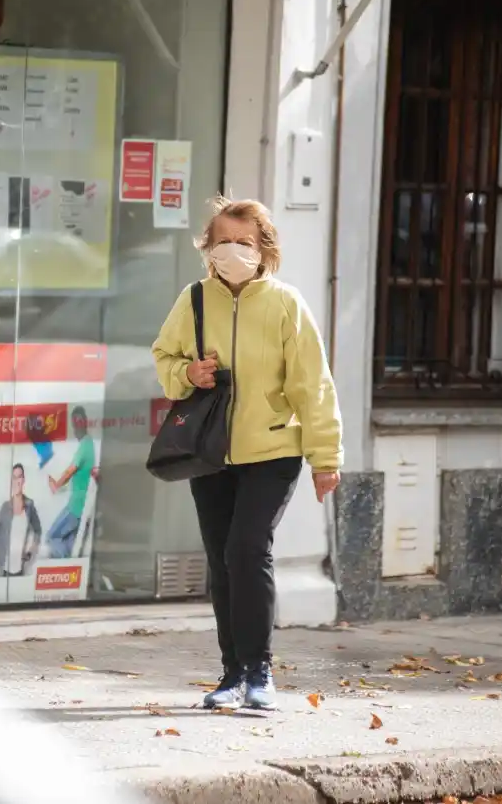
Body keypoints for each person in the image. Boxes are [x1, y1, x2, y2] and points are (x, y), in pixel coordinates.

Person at [151, 197, 342, 711]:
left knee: (246, 548)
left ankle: (260, 671)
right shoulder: (193, 300)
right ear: (208, 247)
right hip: (210, 451)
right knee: (221, 560)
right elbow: (164, 356)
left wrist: (326, 458)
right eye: (223, 241)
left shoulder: (285, 304)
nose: (232, 250)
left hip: (273, 449)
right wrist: (187, 374)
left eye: (244, 242)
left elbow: (313, 385)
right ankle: (231, 672)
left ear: (264, 250)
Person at [45, 407, 96, 559]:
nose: (77, 425)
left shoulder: (86, 445)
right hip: (80, 508)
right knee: (68, 544)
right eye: (75, 422)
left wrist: (57, 485)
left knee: (51, 538)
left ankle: (65, 567)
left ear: (85, 422)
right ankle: (68, 574)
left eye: (80, 420)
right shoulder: (88, 445)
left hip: (75, 507)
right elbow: (77, 475)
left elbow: (70, 470)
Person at [0, 463, 43, 576]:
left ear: (23, 479)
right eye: (14, 478)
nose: (17, 481)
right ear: (12, 482)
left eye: (20, 477)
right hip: (3, 572)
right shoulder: (5, 507)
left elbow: (38, 531)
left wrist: (30, 550)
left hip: (20, 572)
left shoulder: (29, 505)